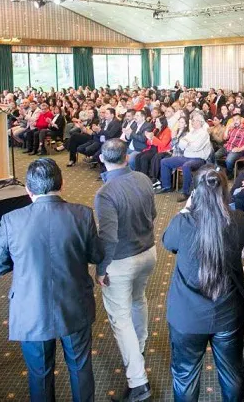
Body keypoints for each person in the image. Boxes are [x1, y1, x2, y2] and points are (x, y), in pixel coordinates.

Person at [0, 158, 104, 402]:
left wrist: (22, 260)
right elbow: (96, 255)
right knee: (80, 367)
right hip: (75, 304)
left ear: (28, 190)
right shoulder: (82, 214)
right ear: (61, 185)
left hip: (31, 308)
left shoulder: (11, 220)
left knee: (40, 374)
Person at [162, 167, 244, 402]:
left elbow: (168, 243)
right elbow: (241, 240)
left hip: (187, 316)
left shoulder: (182, 222)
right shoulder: (239, 221)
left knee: (185, 376)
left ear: (195, 193)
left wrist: (187, 209)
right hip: (228, 312)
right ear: (225, 191)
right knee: (232, 375)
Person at [93, 140, 157, 402]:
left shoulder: (105, 193)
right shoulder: (143, 179)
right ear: (127, 157)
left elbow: (108, 238)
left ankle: (138, 382)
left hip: (121, 261)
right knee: (138, 300)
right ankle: (138, 347)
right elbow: (153, 214)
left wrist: (101, 268)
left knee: (120, 319)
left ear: (101, 158)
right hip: (148, 253)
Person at [158, 113, 214, 202]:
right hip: (186, 156)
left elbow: (196, 147)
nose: (193, 122)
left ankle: (186, 192)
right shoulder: (191, 132)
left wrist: (187, 143)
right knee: (164, 161)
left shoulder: (204, 134)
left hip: (198, 159)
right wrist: (188, 143)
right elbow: (181, 145)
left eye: (195, 121)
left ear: (200, 122)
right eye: (192, 120)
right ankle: (167, 186)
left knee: (186, 166)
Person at [214, 113, 244, 178]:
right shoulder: (232, 129)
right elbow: (225, 138)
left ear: (241, 120)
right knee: (215, 156)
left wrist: (239, 149)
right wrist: (228, 127)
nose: (235, 121)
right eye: (234, 120)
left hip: (237, 149)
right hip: (227, 147)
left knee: (228, 160)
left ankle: (230, 172)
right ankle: (220, 171)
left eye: (237, 119)